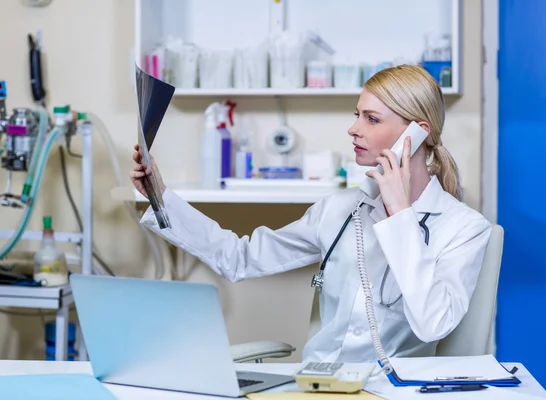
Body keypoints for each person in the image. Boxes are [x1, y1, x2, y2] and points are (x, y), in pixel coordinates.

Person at [130, 65, 491, 364]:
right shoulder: (338, 209)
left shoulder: (464, 228)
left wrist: (400, 216)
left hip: (390, 392)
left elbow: (433, 324)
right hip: (316, 384)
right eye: (357, 115)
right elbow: (240, 258)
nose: (353, 128)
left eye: (371, 118)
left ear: (417, 133)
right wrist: (160, 197)